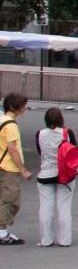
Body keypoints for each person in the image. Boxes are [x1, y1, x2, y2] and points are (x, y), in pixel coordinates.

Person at [33, 107, 77, 247]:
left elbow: (41, 152)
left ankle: (46, 239)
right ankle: (64, 240)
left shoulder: (39, 134)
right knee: (64, 207)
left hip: (45, 173)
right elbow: (74, 153)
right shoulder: (67, 133)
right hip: (65, 175)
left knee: (46, 207)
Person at [0, 93, 29, 244]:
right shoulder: (10, 125)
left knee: (5, 199)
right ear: (13, 107)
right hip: (9, 167)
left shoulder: (2, 120)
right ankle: (2, 232)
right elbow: (12, 149)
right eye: (23, 105)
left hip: (2, 165)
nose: (25, 108)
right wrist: (23, 169)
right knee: (11, 200)